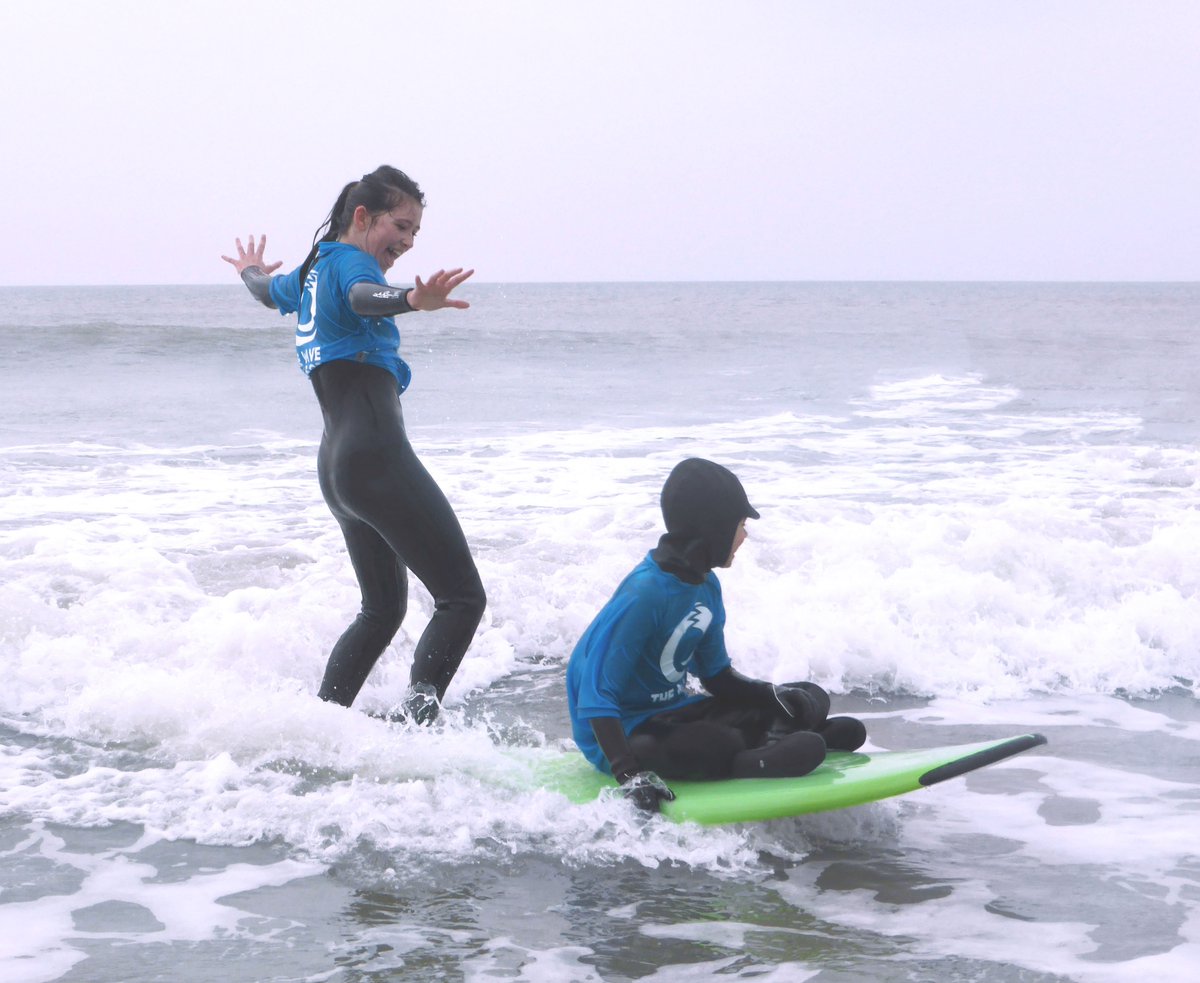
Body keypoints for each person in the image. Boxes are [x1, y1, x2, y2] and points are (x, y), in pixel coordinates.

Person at [222, 165, 486, 724]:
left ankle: (323, 730)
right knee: (462, 599)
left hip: (338, 468)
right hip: (375, 457)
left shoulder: (312, 268)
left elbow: (267, 293)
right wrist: (411, 300)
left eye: (416, 233)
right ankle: (416, 731)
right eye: (401, 225)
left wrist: (249, 270)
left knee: (382, 611)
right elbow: (367, 296)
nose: (409, 242)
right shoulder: (350, 265)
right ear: (362, 217)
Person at [567, 458, 866, 812]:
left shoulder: (706, 586)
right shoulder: (645, 593)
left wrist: (772, 695)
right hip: (621, 733)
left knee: (806, 696)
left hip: (672, 713)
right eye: (740, 525)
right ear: (713, 529)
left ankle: (777, 740)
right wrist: (629, 773)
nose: (745, 536)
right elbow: (596, 696)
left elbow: (716, 676)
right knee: (711, 743)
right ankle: (755, 757)